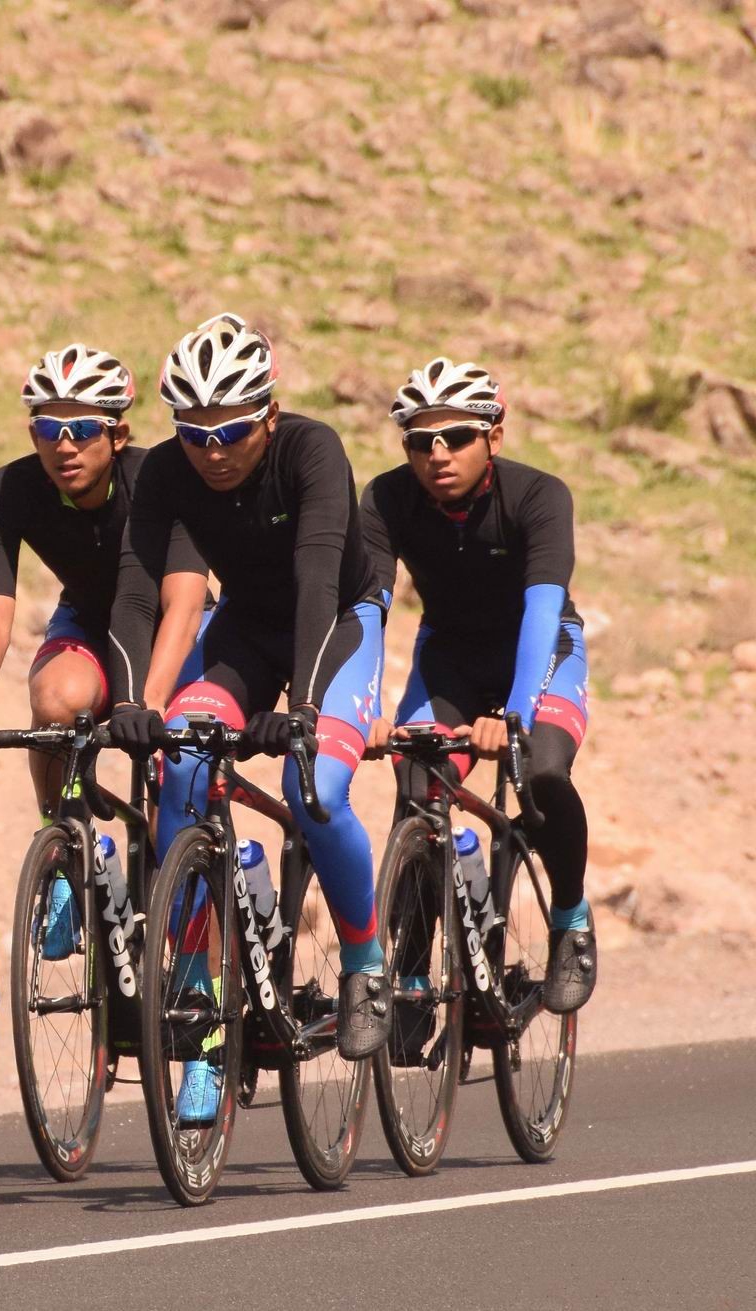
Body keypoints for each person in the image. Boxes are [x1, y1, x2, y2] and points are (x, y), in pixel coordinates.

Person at [106, 312, 390, 1126]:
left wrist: (300, 709)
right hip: (243, 629)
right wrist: (132, 702)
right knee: (183, 768)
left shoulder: (312, 450)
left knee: (317, 791)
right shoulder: (166, 471)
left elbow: (314, 580)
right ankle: (200, 1017)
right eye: (194, 433)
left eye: (230, 430)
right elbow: (135, 590)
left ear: (269, 413)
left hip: (337, 621)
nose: (212, 450)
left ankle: (364, 963)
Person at [361, 358, 594, 1013]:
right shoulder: (385, 499)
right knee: (417, 784)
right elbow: (369, 610)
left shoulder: (539, 495)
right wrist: (367, 706)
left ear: (494, 434)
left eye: (457, 436)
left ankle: (571, 918)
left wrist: (516, 716)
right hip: (452, 659)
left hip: (540, 651)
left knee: (543, 775)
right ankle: (409, 971)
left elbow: (544, 612)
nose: (437, 454)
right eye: (419, 440)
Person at [0, 344, 208, 960]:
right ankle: (67, 846)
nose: (64, 445)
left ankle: (199, 974)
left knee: (171, 789)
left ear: (118, 434)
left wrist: (144, 700)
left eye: (82, 429)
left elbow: (181, 602)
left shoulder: (158, 478)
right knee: (55, 702)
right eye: (49, 427)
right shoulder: (11, 488)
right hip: (91, 620)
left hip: (173, 627)